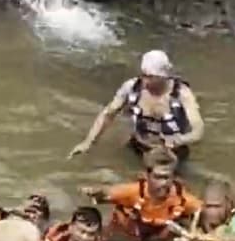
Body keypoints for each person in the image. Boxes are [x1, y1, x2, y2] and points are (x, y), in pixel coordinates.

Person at [69, 49, 204, 164]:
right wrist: (88, 142)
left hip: (171, 154)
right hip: (139, 147)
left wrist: (179, 140)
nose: (145, 81)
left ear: (164, 76)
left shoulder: (181, 93)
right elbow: (108, 114)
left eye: (151, 77)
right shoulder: (131, 87)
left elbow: (198, 130)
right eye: (143, 75)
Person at [81, 149, 202, 241]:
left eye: (167, 177)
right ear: (146, 176)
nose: (164, 183)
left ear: (174, 177)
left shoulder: (183, 200)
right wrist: (92, 191)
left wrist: (194, 233)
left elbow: (204, 212)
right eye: (158, 177)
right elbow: (102, 194)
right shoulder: (131, 192)